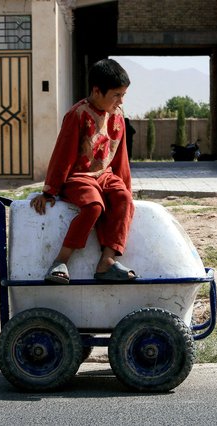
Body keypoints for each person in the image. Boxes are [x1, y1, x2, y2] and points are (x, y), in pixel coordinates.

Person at [30, 59, 137, 284]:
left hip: (105, 176)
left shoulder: (118, 117)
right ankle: (61, 261)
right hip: (79, 177)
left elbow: (121, 157)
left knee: (124, 199)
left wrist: (126, 188)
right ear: (97, 91)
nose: (120, 101)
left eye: (123, 95)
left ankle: (106, 262)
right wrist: (50, 191)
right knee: (93, 206)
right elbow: (62, 154)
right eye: (116, 95)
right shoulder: (77, 114)